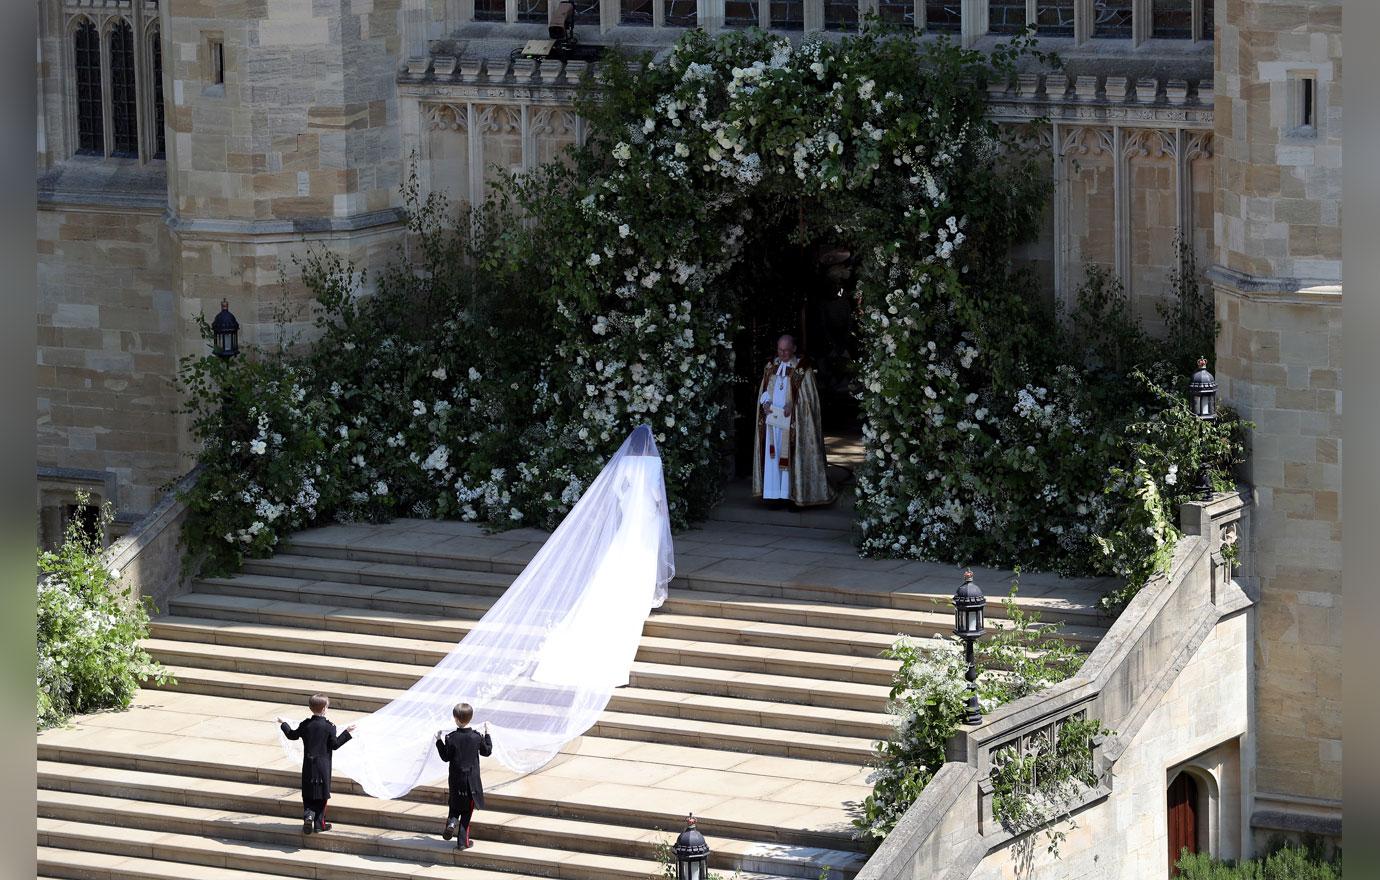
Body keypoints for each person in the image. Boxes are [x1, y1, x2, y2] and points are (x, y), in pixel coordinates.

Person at [753, 334, 834, 507]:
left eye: (786, 350)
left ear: (794, 349)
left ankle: (792, 496)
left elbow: (809, 398)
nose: (783, 353)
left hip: (793, 422)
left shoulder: (802, 369)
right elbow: (765, 389)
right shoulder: (771, 366)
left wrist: (794, 405)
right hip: (773, 421)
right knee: (772, 457)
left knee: (792, 456)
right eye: (780, 350)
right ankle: (773, 496)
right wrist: (765, 403)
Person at [277, 694, 356, 834]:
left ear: (310, 708)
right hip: (323, 766)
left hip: (308, 764)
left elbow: (292, 735)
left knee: (308, 793)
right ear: (325, 708)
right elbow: (335, 745)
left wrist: (284, 723)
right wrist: (347, 732)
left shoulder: (305, 724)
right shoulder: (329, 727)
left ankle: (308, 816)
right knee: (322, 795)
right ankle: (319, 824)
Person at [436, 703, 494, 850]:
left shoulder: (451, 737)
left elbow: (445, 757)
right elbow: (486, 751)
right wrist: (487, 734)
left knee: (455, 805)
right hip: (471, 783)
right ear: (471, 718)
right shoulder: (476, 737)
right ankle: (462, 842)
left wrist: (439, 741)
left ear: (455, 719)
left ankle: (451, 823)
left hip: (456, 781)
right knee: (467, 812)